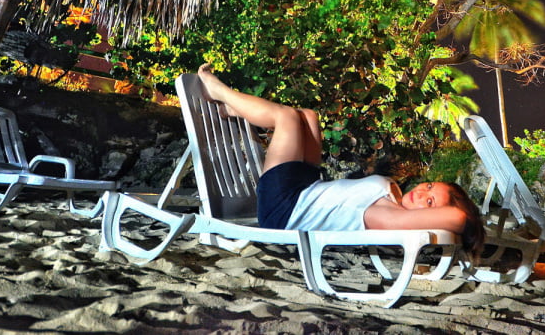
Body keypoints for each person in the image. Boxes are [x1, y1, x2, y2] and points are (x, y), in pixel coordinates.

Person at [197, 64, 485, 261]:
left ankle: (220, 91)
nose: (422, 192)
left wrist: (469, 223)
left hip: (283, 208)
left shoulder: (387, 217)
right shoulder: (395, 200)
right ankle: (232, 109)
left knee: (285, 117)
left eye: (430, 202)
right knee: (308, 115)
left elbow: (459, 218)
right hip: (305, 188)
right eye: (430, 186)